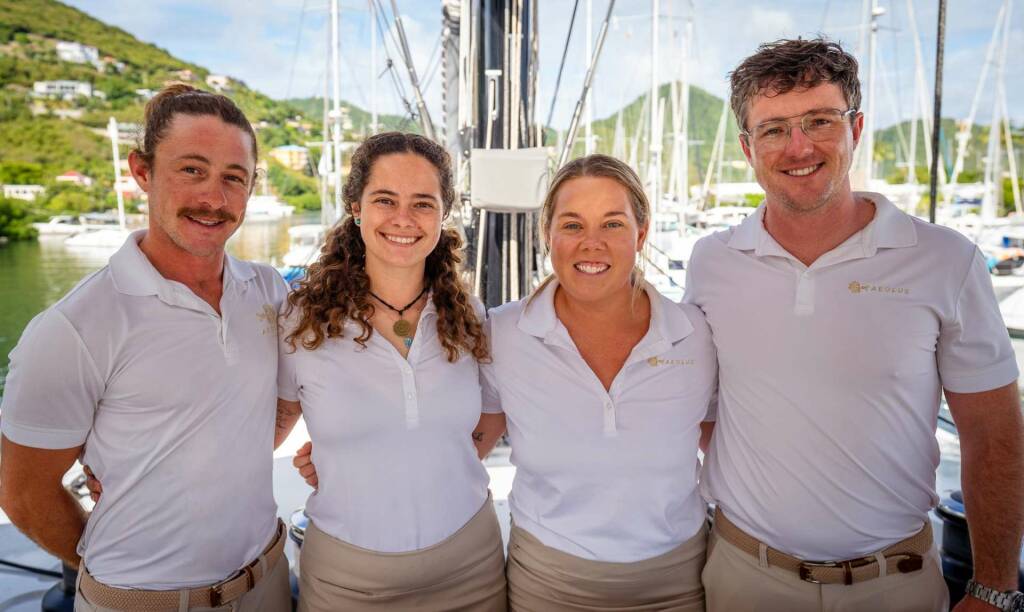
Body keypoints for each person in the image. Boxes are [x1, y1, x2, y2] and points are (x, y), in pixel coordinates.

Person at [685, 38, 1024, 612]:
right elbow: (703, 406)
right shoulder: (712, 261)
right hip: (745, 576)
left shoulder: (946, 260)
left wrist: (993, 586)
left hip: (897, 583)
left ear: (856, 128)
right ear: (747, 147)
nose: (798, 146)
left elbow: (993, 434)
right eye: (773, 129)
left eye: (820, 121)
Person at [0, 84, 291, 612]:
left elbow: (278, 402)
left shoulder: (268, 290)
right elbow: (22, 492)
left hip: (266, 579)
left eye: (234, 177)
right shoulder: (74, 327)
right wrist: (112, 568)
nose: (214, 199)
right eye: (192, 170)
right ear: (142, 171)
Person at [273, 132, 507, 611]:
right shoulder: (301, 321)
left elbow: (491, 413)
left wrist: (423, 462)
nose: (404, 218)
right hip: (347, 581)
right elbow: (269, 427)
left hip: (471, 567)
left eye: (423, 203)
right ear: (356, 207)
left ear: (443, 214)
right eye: (385, 199)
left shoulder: (469, 316)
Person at [477, 154, 716, 610]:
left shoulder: (695, 334)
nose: (592, 243)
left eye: (612, 224)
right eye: (572, 225)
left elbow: (722, 443)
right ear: (547, 235)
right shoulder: (504, 332)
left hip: (679, 583)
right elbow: (469, 445)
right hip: (547, 585)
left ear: (641, 234)